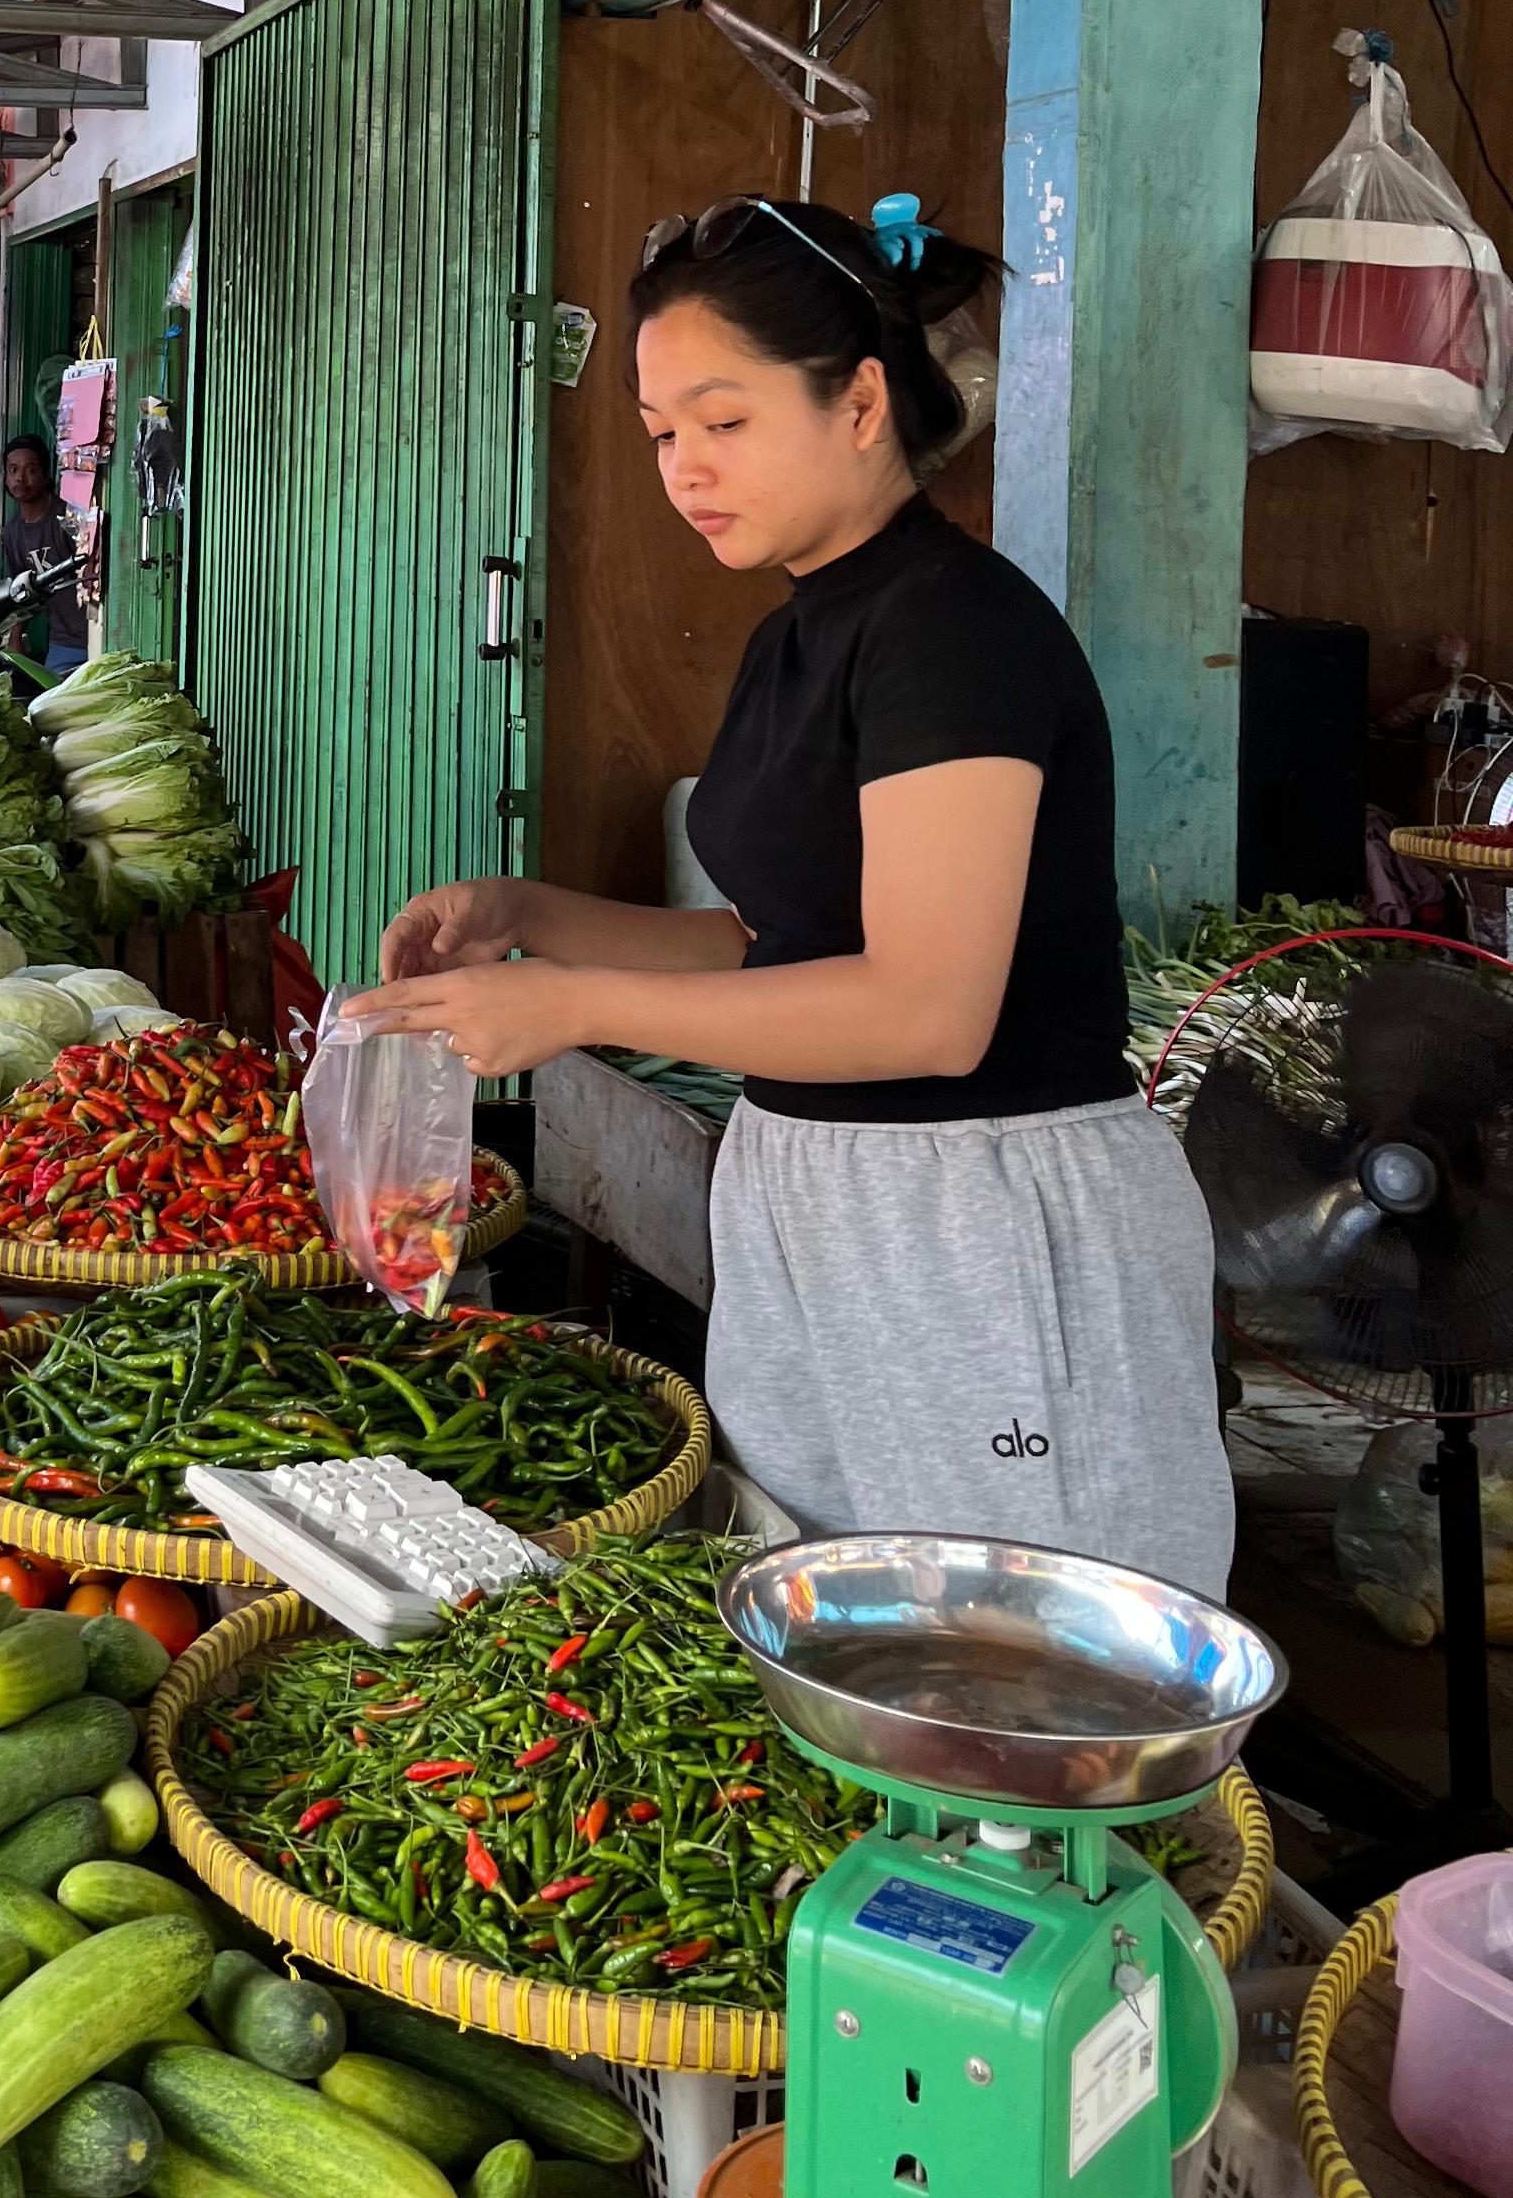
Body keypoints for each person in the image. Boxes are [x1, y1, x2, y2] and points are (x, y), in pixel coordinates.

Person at [360, 189, 1234, 1601]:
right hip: (820, 1207)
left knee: (1025, 1652)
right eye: (658, 434)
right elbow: (775, 948)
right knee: (844, 1625)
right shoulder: (797, 633)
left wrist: (572, 1002)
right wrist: (530, 913)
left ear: (864, 402)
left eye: (724, 419)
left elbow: (930, 1008)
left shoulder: (954, 633)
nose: (685, 468)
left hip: (984, 1221)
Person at [0, 433, 90, 675]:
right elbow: (22, 590)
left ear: (45, 475)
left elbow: (91, 556)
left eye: (30, 470)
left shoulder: (66, 516)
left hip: (94, 628)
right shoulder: (12, 533)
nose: (20, 478)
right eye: (13, 470)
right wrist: (16, 636)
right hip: (62, 639)